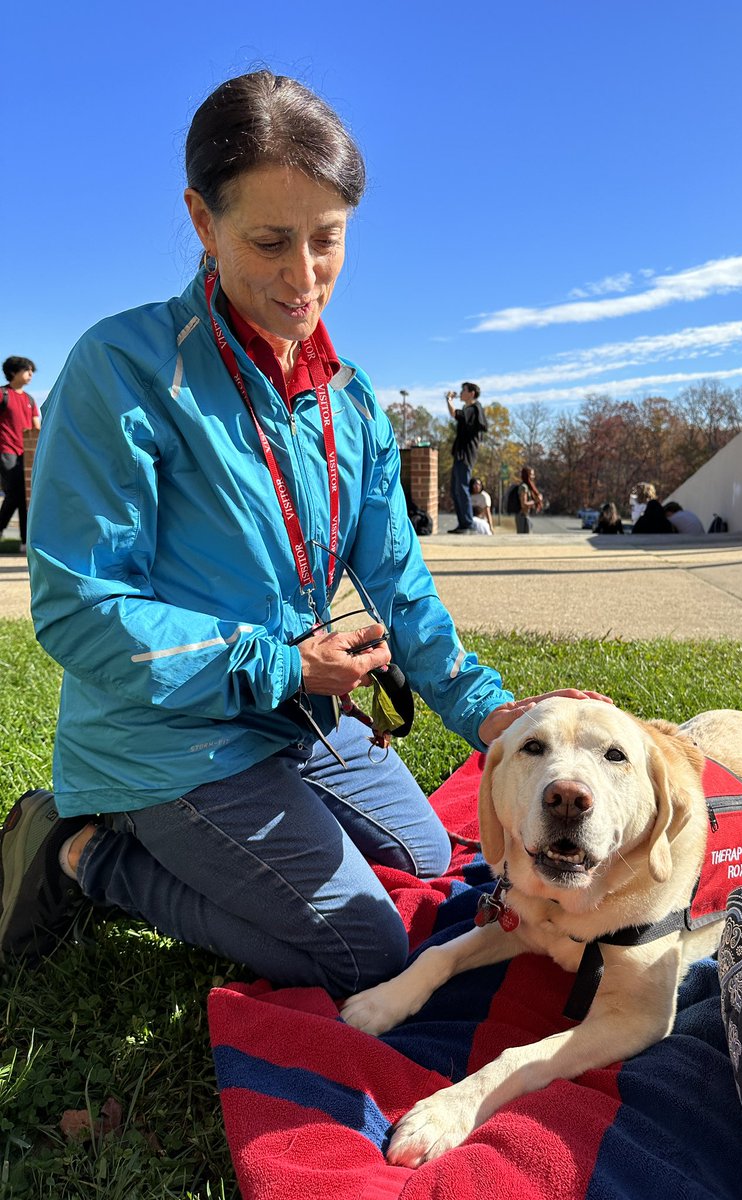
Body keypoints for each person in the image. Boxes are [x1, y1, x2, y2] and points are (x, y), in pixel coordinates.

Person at [0, 71, 602, 994]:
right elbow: (80, 611)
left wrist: (493, 714)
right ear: (202, 221)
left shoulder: (348, 398)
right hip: (167, 740)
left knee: (422, 845)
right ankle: (84, 851)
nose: (303, 279)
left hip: (294, 720)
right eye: (270, 242)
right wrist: (285, 665)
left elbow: (399, 585)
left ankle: (221, 825)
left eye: (327, 240)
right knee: (367, 953)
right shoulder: (122, 369)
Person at [0, 356, 41, 551]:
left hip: (27, 455)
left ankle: (25, 542)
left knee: (26, 496)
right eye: (27, 370)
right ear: (13, 372)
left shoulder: (30, 399)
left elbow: (36, 427)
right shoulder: (2, 394)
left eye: (32, 371)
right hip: (6, 450)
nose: (31, 374)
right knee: (15, 492)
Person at [446, 383, 487, 533]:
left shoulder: (474, 409)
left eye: (464, 390)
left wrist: (449, 399)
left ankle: (468, 523)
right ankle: (463, 523)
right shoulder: (470, 409)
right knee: (456, 488)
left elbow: (454, 414)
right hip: (460, 454)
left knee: (462, 488)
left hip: (465, 455)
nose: (461, 392)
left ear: (472, 393)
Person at [514, 465, 543, 534]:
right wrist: (536, 501)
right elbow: (523, 504)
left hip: (526, 515)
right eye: (532, 475)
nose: (533, 477)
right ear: (527, 476)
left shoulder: (528, 487)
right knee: (523, 540)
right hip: (522, 516)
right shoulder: (524, 487)